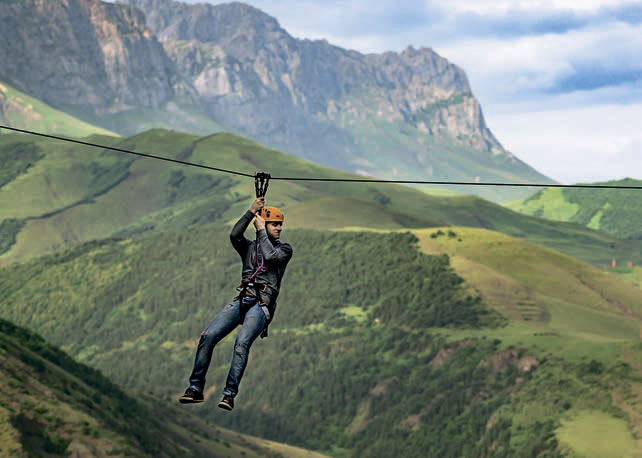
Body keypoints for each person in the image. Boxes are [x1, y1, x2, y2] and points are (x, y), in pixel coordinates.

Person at [179, 197, 293, 410]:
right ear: (264, 223)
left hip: (261, 305)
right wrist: (251, 211)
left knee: (241, 344)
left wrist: (261, 230)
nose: (279, 228)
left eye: (280, 225)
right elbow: (234, 235)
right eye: (275, 224)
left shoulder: (284, 250)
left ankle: (229, 395)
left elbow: (269, 256)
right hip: (243, 299)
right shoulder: (249, 248)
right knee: (207, 337)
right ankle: (195, 388)